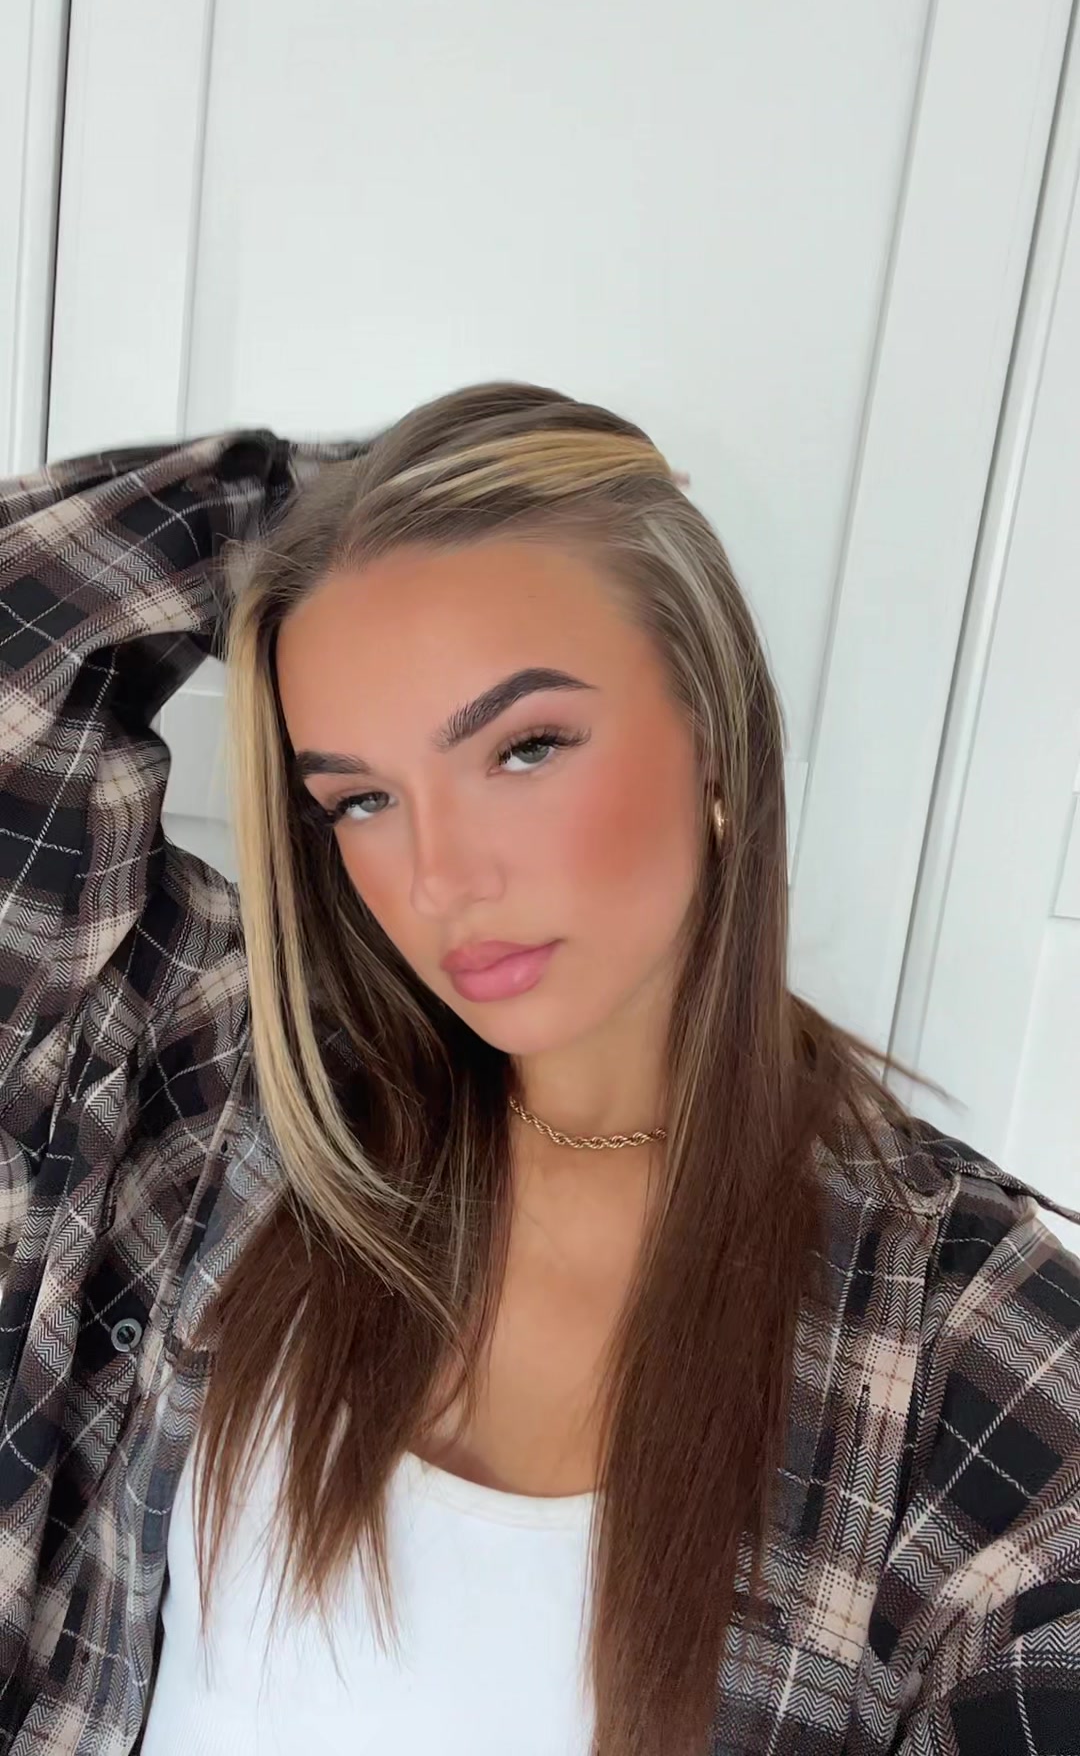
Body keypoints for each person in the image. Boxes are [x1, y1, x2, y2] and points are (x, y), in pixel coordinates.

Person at [0, 384, 1078, 1756]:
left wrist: (551, 500)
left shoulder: (974, 1346)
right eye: (361, 800)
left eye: (524, 748)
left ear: (716, 734)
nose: (440, 879)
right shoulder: (246, 1104)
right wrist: (337, 519)